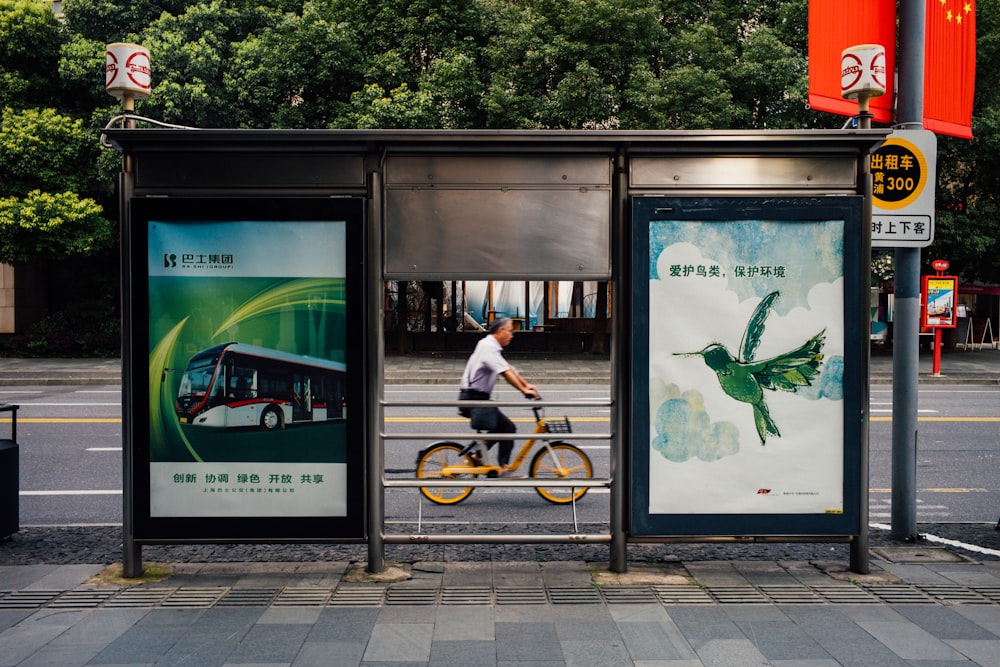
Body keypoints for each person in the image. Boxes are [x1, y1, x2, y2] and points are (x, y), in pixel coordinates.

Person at [458, 317, 539, 477]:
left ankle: (478, 456)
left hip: (476, 397)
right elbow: (506, 374)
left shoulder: (489, 345)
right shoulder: (489, 348)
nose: (512, 335)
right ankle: (503, 468)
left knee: (500, 427)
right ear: (501, 330)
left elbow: (508, 368)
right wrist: (524, 391)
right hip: (474, 398)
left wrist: (526, 384)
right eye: (510, 331)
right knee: (507, 428)